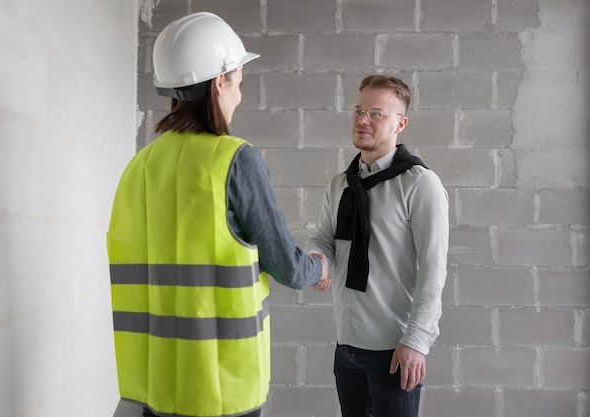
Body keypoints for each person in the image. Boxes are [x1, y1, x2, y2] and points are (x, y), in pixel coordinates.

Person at [106, 12, 330, 417]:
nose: (239, 96)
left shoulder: (138, 167)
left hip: (154, 390)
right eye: (238, 83)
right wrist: (319, 268)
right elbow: (288, 267)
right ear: (219, 82)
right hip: (222, 392)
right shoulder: (235, 161)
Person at [305, 75, 448, 417]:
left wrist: (417, 340)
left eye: (375, 113)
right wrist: (317, 260)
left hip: (394, 351)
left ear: (401, 123)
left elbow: (433, 268)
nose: (362, 120)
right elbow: (323, 237)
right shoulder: (341, 183)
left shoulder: (419, 184)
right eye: (357, 110)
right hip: (347, 350)